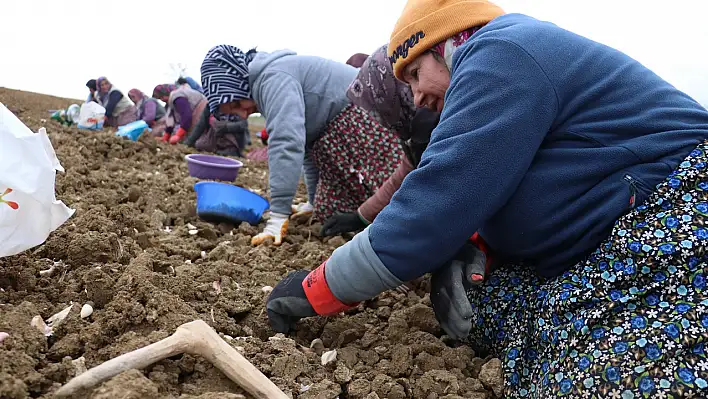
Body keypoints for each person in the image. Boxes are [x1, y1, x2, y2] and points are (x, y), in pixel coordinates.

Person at [265, 0, 708, 397]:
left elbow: (438, 200)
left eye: (416, 73)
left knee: (621, 373)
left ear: (442, 42)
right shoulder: (498, 57)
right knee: (492, 313)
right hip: (617, 220)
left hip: (680, 202)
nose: (416, 96)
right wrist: (476, 244)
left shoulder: (501, 52)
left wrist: (322, 286)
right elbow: (492, 181)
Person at [200, 45, 403, 246]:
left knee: (390, 198)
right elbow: (307, 146)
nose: (244, 114)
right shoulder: (264, 85)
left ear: (238, 82)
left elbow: (287, 143)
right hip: (339, 128)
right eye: (235, 112)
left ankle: (401, 234)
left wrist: (278, 215)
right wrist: (313, 203)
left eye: (237, 105)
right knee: (328, 210)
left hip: (362, 117)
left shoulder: (273, 78)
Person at [321, 45, 439, 237]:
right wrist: (360, 216)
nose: (380, 119)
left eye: (379, 108)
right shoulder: (414, 128)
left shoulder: (431, 123)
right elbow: (404, 175)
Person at [184, 107, 249, 156]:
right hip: (215, 137)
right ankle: (216, 148)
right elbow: (201, 125)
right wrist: (189, 142)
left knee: (221, 125)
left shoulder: (238, 106)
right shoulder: (211, 106)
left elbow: (243, 125)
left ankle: (233, 150)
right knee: (199, 145)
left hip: (232, 140)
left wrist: (226, 127)